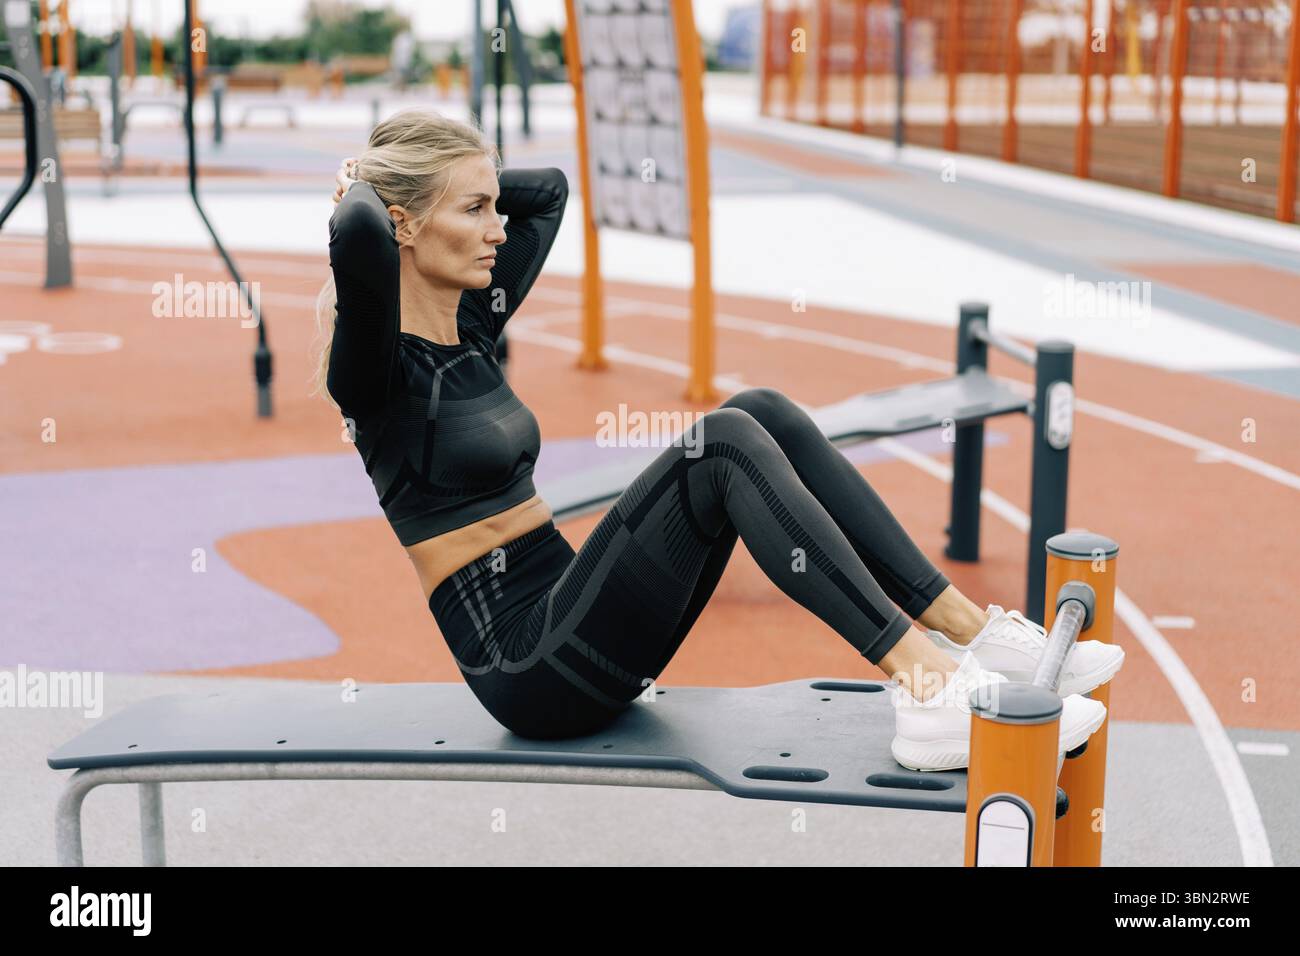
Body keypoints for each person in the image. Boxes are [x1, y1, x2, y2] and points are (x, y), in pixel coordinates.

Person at [313, 109, 1123, 772]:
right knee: (724, 444)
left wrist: (449, 180)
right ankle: (925, 685)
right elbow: (355, 227)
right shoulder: (373, 371)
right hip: (527, 671)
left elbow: (550, 193)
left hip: (580, 624)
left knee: (759, 408)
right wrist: (363, 179)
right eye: (473, 209)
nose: (498, 227)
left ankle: (967, 632)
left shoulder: (472, 323)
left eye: (493, 205)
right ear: (401, 227)